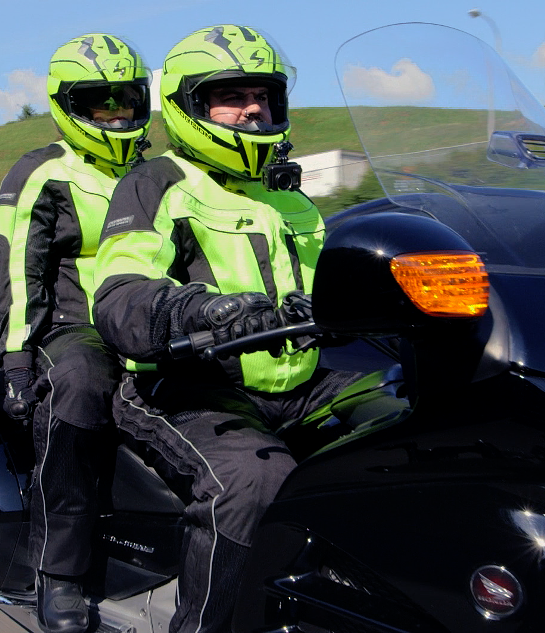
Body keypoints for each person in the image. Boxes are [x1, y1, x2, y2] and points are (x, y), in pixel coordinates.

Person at [91, 25, 361, 633]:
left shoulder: (286, 195)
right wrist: (204, 311)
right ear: (189, 105)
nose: (254, 108)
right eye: (231, 96)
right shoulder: (157, 182)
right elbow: (119, 294)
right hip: (189, 386)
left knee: (408, 428)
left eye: (263, 95)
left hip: (300, 382)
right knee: (252, 481)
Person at [0, 33, 151, 633]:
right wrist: (17, 358)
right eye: (99, 101)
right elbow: (19, 269)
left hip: (147, 320)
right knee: (80, 390)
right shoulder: (42, 171)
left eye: (127, 100)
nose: (116, 115)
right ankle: (58, 572)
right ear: (67, 103)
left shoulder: (157, 172)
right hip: (73, 326)